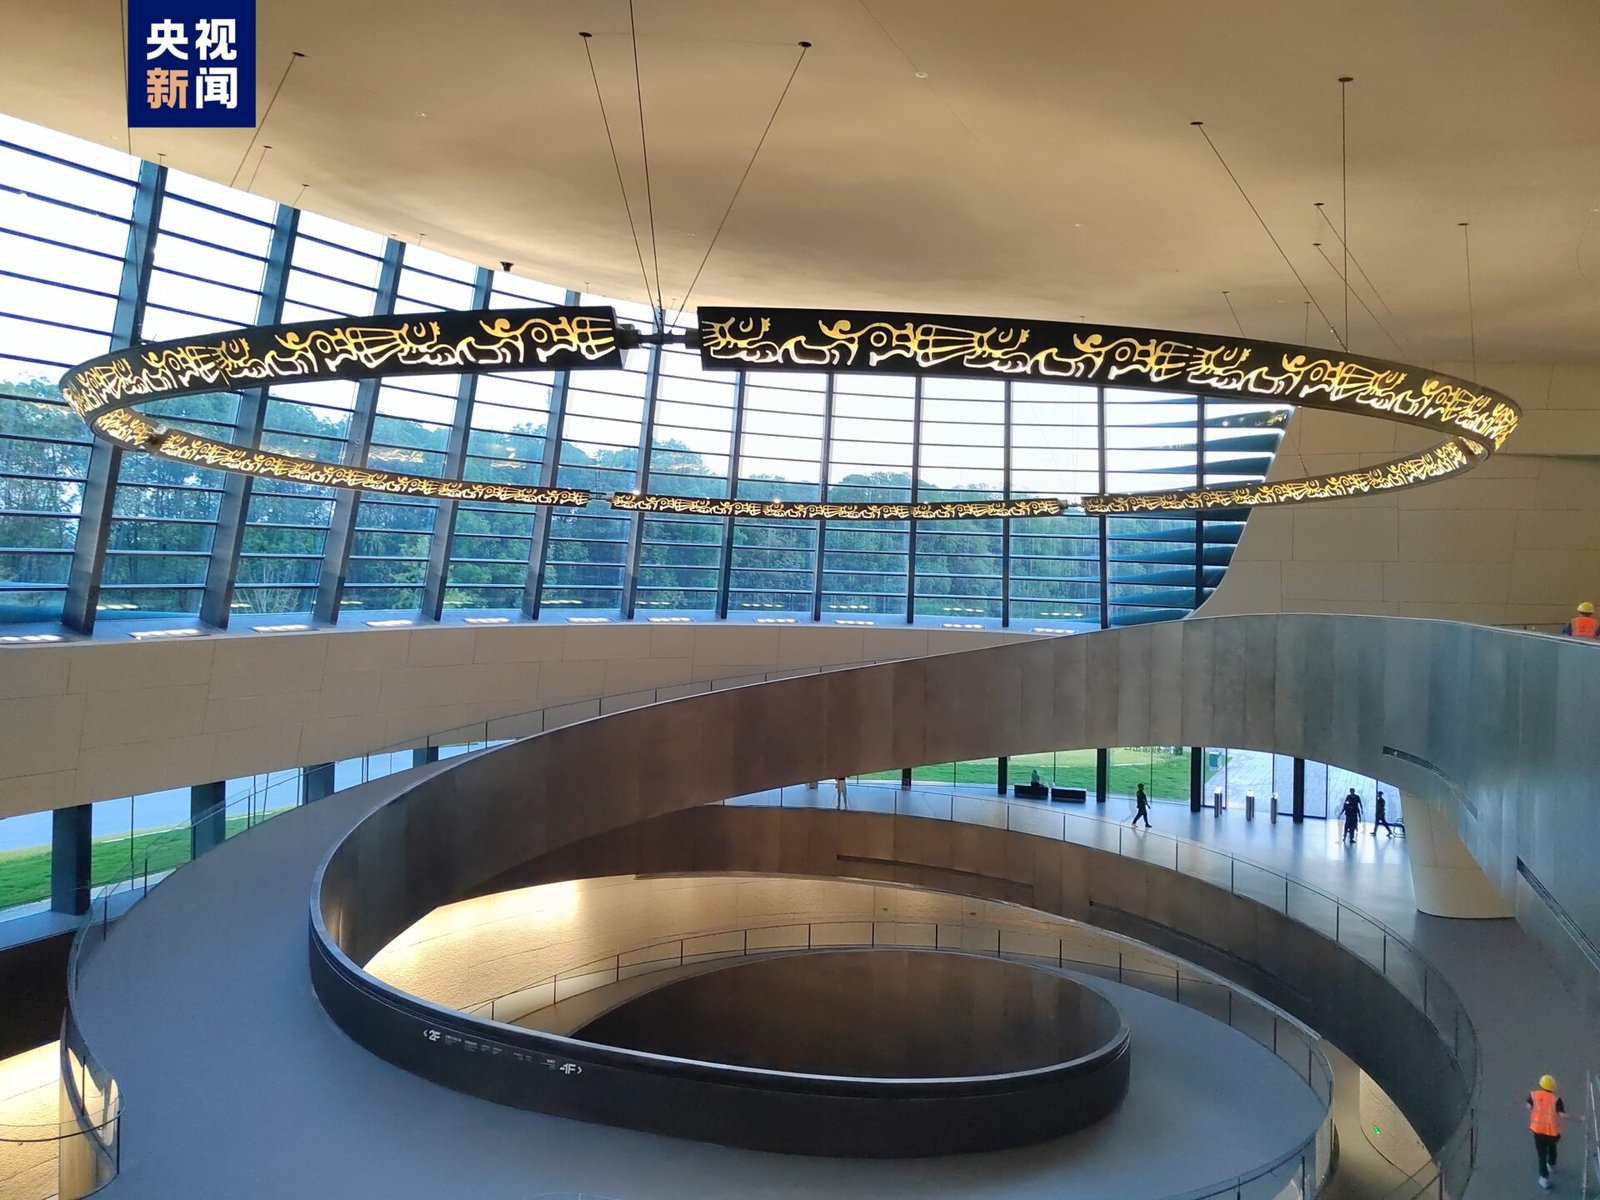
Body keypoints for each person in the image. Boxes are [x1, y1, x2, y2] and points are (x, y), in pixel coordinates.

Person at [1529, 1073, 1565, 1189]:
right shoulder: (1556, 1100)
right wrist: (1580, 1118)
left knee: (1541, 1155)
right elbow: (1562, 1114)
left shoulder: (1534, 1095)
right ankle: (1552, 1164)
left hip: (1538, 1131)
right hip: (1551, 1132)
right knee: (1552, 1148)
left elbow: (1528, 1106)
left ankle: (1543, 1178)